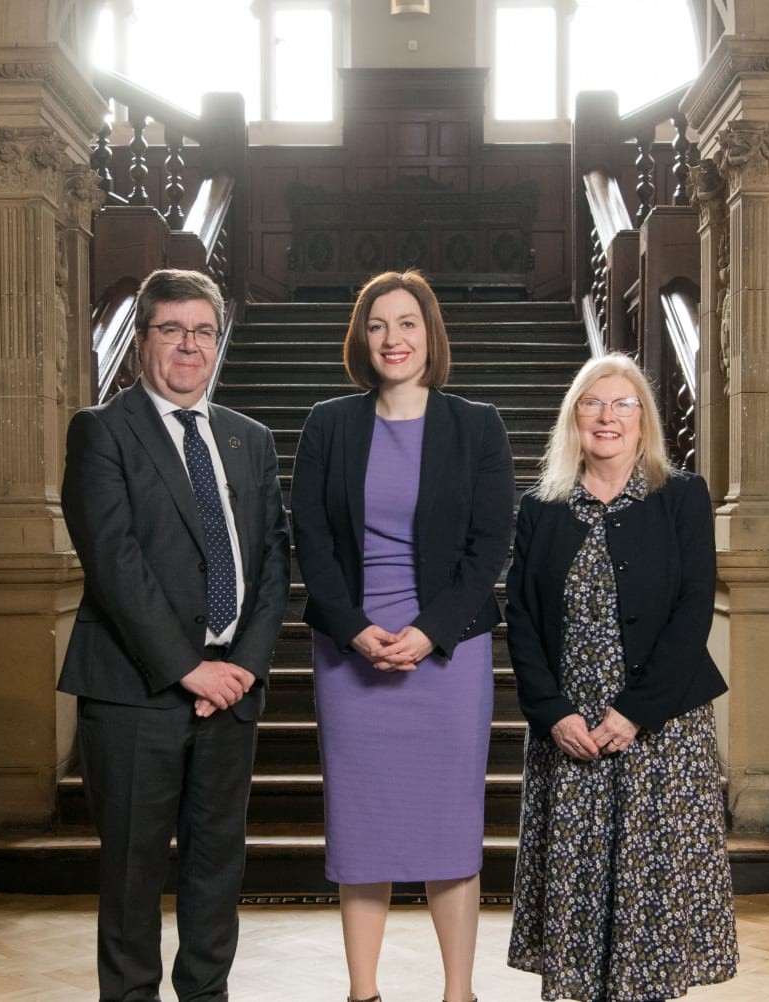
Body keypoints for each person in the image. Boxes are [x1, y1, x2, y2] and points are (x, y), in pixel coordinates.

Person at [57, 269, 291, 1002]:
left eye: (202, 331)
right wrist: (189, 668)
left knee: (216, 865)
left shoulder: (247, 440)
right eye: (171, 330)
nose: (188, 346)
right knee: (132, 873)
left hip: (232, 693)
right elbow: (115, 563)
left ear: (217, 342)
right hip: (135, 691)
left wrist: (244, 668)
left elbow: (275, 558)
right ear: (141, 341)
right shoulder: (102, 431)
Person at [290, 270, 515, 1002]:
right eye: (378, 324)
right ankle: (363, 993)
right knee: (363, 831)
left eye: (408, 323)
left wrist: (427, 632)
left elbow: (490, 546)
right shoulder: (329, 423)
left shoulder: (477, 425)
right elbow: (311, 539)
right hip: (350, 654)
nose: (394, 338)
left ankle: (459, 993)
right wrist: (356, 631)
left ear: (431, 335)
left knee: (451, 828)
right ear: (361, 338)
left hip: (448, 654)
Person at [505, 353, 739, 1001]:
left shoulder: (682, 497)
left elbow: (693, 614)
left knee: (652, 902)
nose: (607, 417)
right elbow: (520, 617)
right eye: (592, 403)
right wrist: (553, 712)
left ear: (644, 422)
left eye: (623, 405)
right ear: (573, 418)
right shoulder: (540, 508)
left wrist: (633, 712)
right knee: (577, 904)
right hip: (571, 734)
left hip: (657, 731)